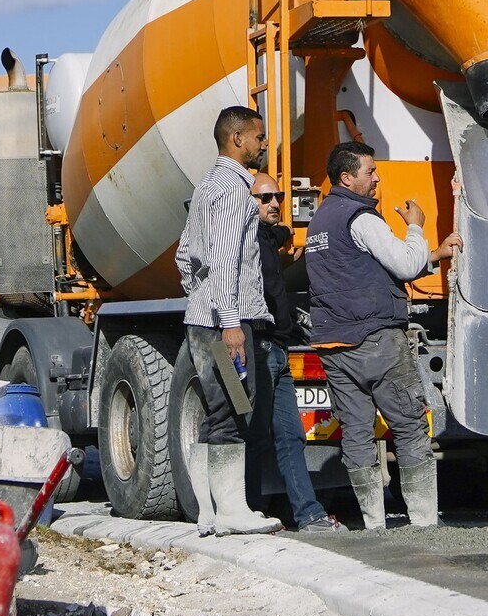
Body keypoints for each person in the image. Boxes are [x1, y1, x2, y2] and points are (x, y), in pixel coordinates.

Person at [306, 140, 454, 529]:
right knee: (408, 425)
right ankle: (423, 522)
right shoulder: (361, 218)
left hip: (334, 345)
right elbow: (404, 265)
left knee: (356, 434)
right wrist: (417, 226)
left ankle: (373, 524)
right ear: (347, 177)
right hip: (375, 340)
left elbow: (358, 269)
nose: (377, 178)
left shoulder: (321, 220)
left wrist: (433, 256)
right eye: (370, 171)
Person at [172, 106, 280, 535]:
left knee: (220, 410)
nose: (264, 144)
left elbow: (185, 254)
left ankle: (210, 513)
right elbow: (222, 260)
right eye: (258, 137)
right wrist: (231, 323)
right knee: (234, 411)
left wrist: (197, 295)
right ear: (237, 139)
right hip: (226, 323)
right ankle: (232, 511)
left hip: (205, 317)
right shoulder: (235, 191)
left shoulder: (205, 186)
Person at [247, 171, 342, 531]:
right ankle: (250, 509)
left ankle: (309, 514)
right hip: (255, 348)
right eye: (265, 198)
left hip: (279, 350)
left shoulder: (269, 239)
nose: (274, 203)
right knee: (253, 435)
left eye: (279, 197)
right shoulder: (244, 242)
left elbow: (278, 233)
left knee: (290, 435)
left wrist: (286, 234)